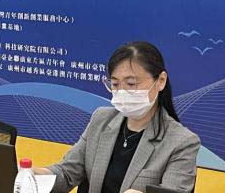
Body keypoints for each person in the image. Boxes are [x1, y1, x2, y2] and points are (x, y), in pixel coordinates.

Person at [34, 41, 200, 193]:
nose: (122, 92)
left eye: (131, 84)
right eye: (115, 84)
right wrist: (37, 176)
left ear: (161, 81)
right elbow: (67, 172)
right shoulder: (101, 119)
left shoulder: (182, 142)